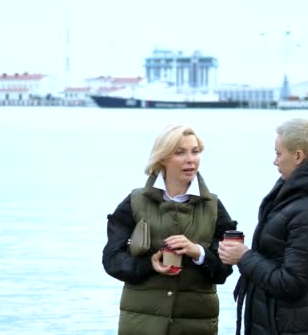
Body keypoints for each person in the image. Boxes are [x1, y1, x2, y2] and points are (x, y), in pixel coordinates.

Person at [218, 118, 308, 335]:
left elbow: (291, 283)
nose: (275, 161)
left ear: (298, 156)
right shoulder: (295, 195)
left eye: (279, 154)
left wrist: (244, 257)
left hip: (292, 321)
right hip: (282, 315)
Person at [102, 124, 237, 335]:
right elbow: (111, 260)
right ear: (163, 158)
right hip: (141, 325)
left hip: (195, 326)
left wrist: (198, 252)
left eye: (195, 151)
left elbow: (224, 270)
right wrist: (149, 264)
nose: (190, 159)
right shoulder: (134, 202)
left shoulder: (214, 206)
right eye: (180, 152)